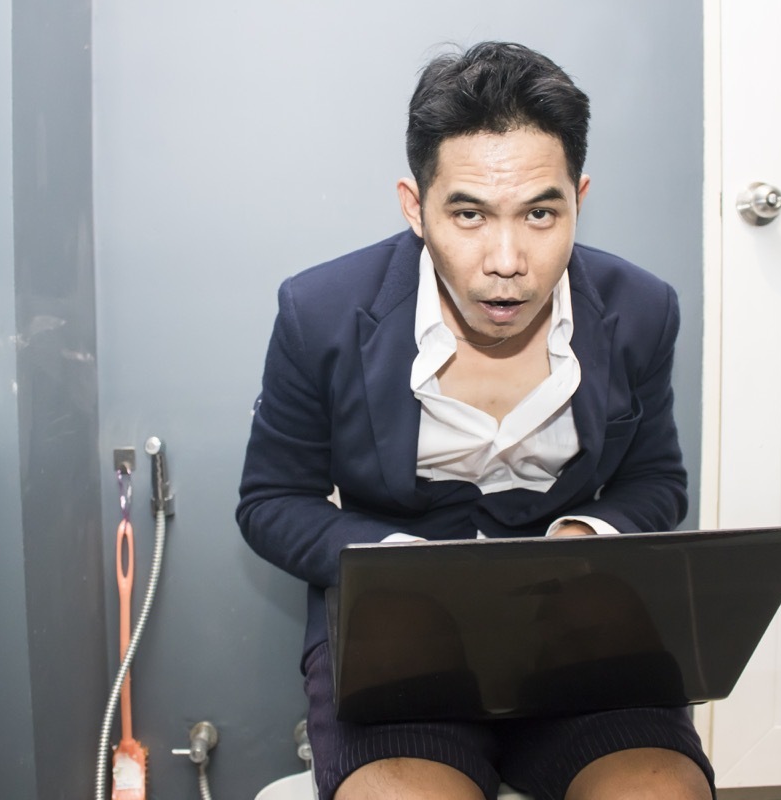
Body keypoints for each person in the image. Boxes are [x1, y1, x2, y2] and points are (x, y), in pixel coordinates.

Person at [237, 41, 712, 800]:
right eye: (468, 215)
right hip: (398, 640)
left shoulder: (643, 310)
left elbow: (657, 480)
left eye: (540, 214)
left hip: (579, 634)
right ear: (414, 207)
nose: (507, 260)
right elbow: (271, 501)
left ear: (579, 199)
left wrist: (588, 537)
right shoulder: (318, 311)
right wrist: (393, 566)